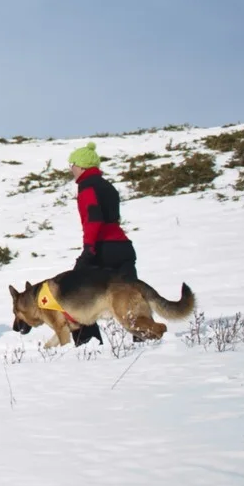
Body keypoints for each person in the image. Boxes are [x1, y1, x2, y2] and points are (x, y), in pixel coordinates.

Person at [68, 143, 136, 345]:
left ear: (81, 166)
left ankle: (87, 344)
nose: (70, 169)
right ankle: (144, 337)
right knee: (131, 296)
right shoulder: (107, 185)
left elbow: (94, 219)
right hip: (123, 247)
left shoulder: (87, 187)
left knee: (73, 292)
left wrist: (89, 249)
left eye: (72, 164)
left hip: (102, 248)